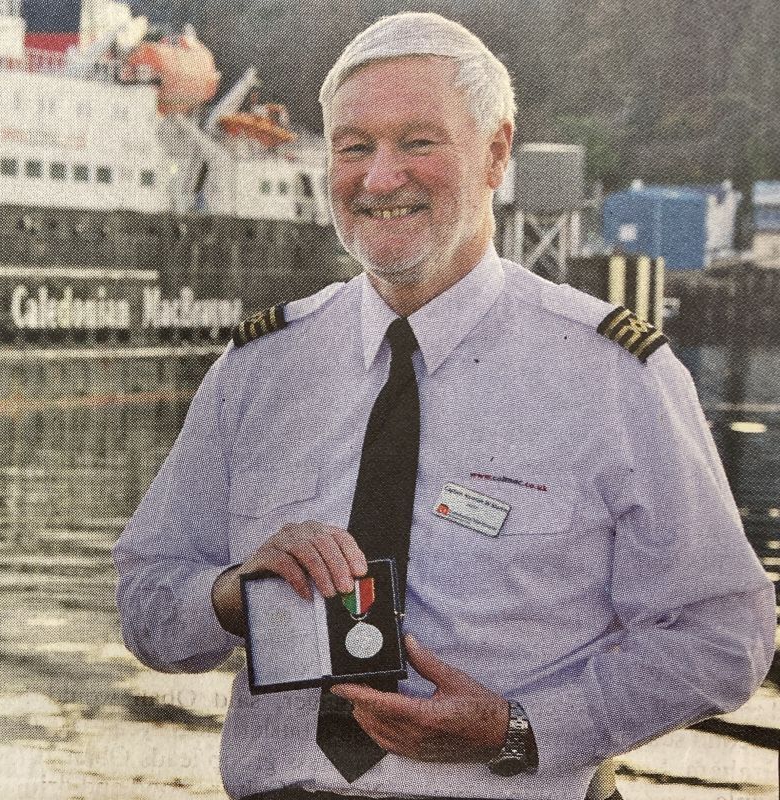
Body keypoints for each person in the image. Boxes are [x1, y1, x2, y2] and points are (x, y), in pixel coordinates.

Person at [113, 12, 776, 800]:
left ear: (496, 153)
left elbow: (722, 636)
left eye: (418, 142)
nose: (380, 177)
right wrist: (231, 594)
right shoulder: (259, 369)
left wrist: (520, 730)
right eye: (354, 147)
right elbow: (148, 598)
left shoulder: (611, 374)